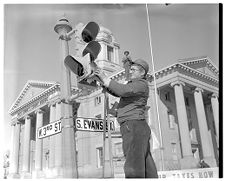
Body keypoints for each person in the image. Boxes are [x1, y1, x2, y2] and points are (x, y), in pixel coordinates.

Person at [94, 59, 158, 178]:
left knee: (133, 164)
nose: (130, 71)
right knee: (145, 162)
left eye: (133, 70)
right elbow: (120, 94)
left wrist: (105, 78)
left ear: (142, 73)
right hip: (136, 126)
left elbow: (121, 90)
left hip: (133, 126)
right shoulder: (135, 85)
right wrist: (104, 83)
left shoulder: (141, 84)